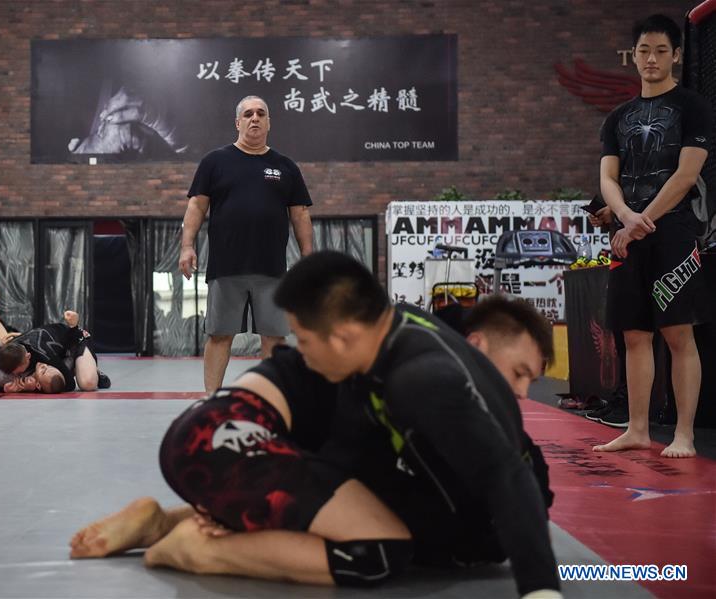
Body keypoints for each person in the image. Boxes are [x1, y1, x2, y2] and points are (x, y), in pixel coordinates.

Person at [71, 253, 559, 598]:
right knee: (379, 548)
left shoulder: (416, 371)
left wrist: (541, 589)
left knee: (374, 511)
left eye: (304, 340)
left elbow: (505, 473)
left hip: (212, 433)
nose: (300, 352)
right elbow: (343, 458)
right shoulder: (394, 348)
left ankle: (170, 523)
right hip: (219, 438)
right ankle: (195, 549)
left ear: (343, 335)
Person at [595, 14, 712, 458]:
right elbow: (608, 178)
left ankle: (684, 434)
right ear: (634, 55)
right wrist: (626, 216)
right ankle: (638, 429)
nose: (651, 59)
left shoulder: (693, 107)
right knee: (633, 334)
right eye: (644, 50)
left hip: (674, 232)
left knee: (678, 333)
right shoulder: (617, 118)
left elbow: (686, 175)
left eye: (661, 51)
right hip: (628, 235)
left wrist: (641, 220)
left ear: (676, 55)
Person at [179, 95, 314, 394]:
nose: (255, 118)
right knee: (219, 335)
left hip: (272, 269)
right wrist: (187, 246)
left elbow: (300, 214)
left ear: (269, 122)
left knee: (274, 338)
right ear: (237, 122)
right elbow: (196, 206)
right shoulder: (215, 162)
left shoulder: (286, 166)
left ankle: (270, 398)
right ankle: (211, 399)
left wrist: (308, 257)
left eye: (261, 114)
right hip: (226, 267)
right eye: (248, 114)